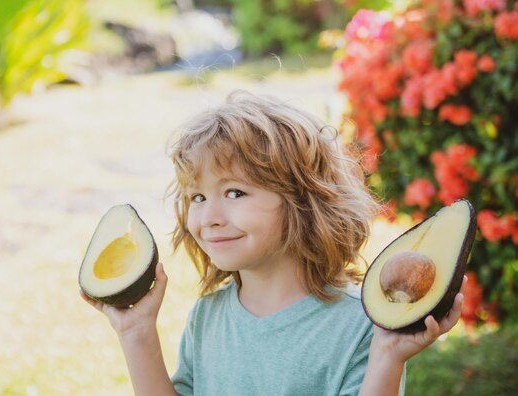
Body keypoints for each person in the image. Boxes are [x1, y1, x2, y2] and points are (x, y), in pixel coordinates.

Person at [81, 90, 465, 395]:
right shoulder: (208, 316)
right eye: (197, 197)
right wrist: (136, 334)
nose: (209, 216)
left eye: (234, 193)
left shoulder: (362, 325)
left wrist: (387, 356)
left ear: (303, 201)